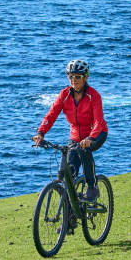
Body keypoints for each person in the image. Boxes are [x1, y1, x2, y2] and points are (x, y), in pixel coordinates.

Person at [32, 59, 108, 201]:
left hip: (97, 134)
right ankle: (70, 214)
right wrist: (40, 133)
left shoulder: (94, 96)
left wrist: (91, 138)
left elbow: (98, 121)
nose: (74, 80)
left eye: (78, 76)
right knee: (68, 174)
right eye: (70, 76)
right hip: (75, 137)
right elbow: (51, 115)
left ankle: (92, 186)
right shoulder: (64, 95)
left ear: (86, 77)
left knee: (84, 150)